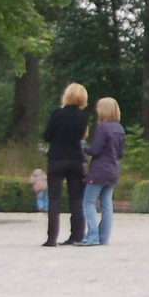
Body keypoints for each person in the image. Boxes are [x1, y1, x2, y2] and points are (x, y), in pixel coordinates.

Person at [41, 84, 90, 246]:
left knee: (54, 199)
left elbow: (47, 136)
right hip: (75, 159)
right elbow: (82, 136)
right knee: (76, 199)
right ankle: (76, 235)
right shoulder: (83, 117)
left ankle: (52, 238)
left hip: (57, 159)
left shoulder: (57, 114)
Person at [82, 97, 126, 246]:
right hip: (113, 169)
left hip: (99, 169)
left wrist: (83, 148)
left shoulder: (102, 128)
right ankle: (104, 237)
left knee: (88, 201)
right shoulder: (119, 128)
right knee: (107, 204)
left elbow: (95, 150)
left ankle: (92, 236)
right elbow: (120, 153)